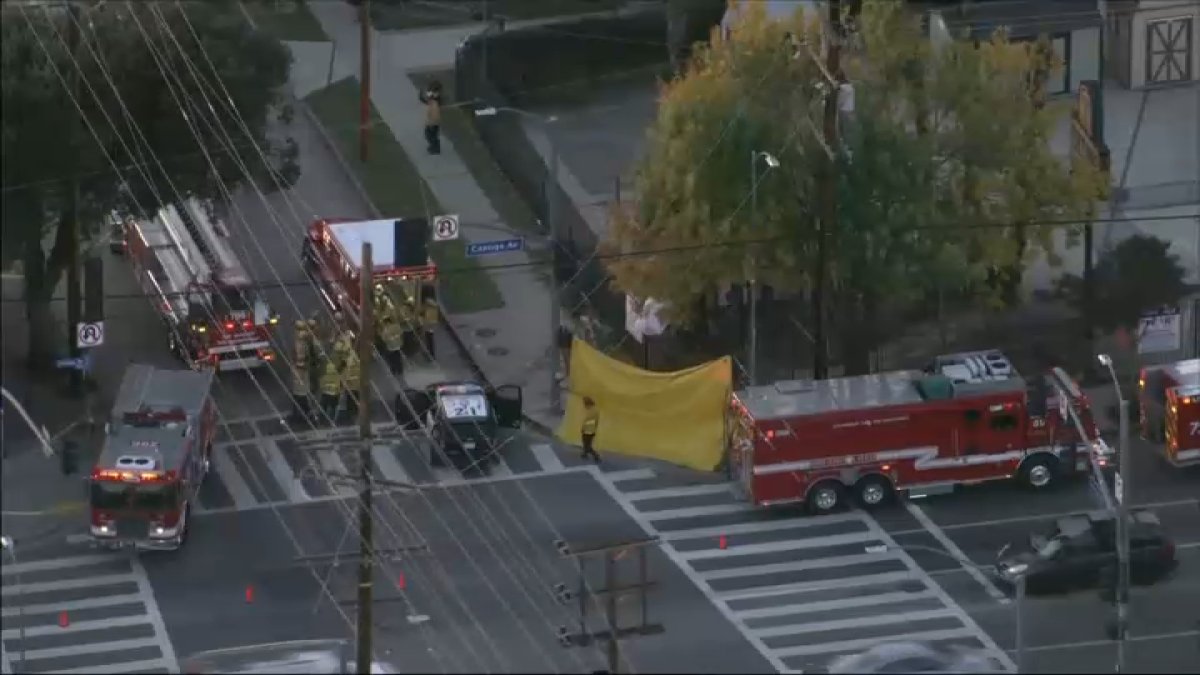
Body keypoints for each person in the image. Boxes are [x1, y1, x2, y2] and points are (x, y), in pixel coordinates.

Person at [290, 320, 313, 423]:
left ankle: (302, 413)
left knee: (299, 392)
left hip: (300, 368)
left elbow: (295, 354)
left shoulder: (300, 340)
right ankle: (302, 412)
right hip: (302, 368)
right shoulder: (305, 339)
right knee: (301, 391)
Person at [379, 305, 406, 375]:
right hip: (397, 345)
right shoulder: (396, 326)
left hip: (391, 347)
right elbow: (401, 332)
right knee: (397, 358)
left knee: (392, 359)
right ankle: (399, 370)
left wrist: (391, 337)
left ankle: (394, 370)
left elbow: (383, 338)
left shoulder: (386, 330)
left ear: (387, 322)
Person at [419, 81, 442, 154]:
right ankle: (435, 146)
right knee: (431, 135)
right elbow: (426, 99)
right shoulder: (433, 98)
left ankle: (435, 148)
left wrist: (432, 123)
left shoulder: (436, 101)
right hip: (432, 122)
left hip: (433, 123)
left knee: (430, 135)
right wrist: (421, 95)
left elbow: (435, 115)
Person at [319, 357, 342, 424]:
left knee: (326, 406)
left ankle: (324, 421)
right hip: (331, 392)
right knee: (330, 406)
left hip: (329, 392)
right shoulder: (330, 374)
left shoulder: (327, 370)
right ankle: (329, 421)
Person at [341, 350, 361, 421]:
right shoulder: (353, 362)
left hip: (353, 386)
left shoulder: (354, 362)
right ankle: (353, 415)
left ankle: (354, 415)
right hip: (352, 386)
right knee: (352, 401)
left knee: (353, 400)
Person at [580, 397, 600, 463]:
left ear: (588, 404)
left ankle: (596, 455)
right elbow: (596, 421)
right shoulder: (595, 410)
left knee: (587, 444)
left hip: (587, 430)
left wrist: (583, 428)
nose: (584, 406)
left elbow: (586, 421)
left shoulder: (590, 411)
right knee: (586, 443)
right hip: (592, 430)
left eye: (585, 404)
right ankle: (584, 454)